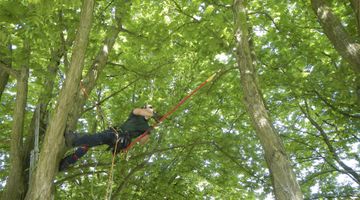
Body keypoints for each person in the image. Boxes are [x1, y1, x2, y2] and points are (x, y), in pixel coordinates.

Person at [59, 104, 160, 171]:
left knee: (96, 139)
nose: (152, 109)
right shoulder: (136, 113)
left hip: (120, 142)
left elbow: (142, 142)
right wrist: (153, 115)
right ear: (145, 107)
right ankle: (69, 159)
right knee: (94, 140)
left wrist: (148, 132)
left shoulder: (146, 127)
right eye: (150, 107)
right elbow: (140, 111)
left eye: (152, 109)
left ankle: (73, 141)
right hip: (116, 133)